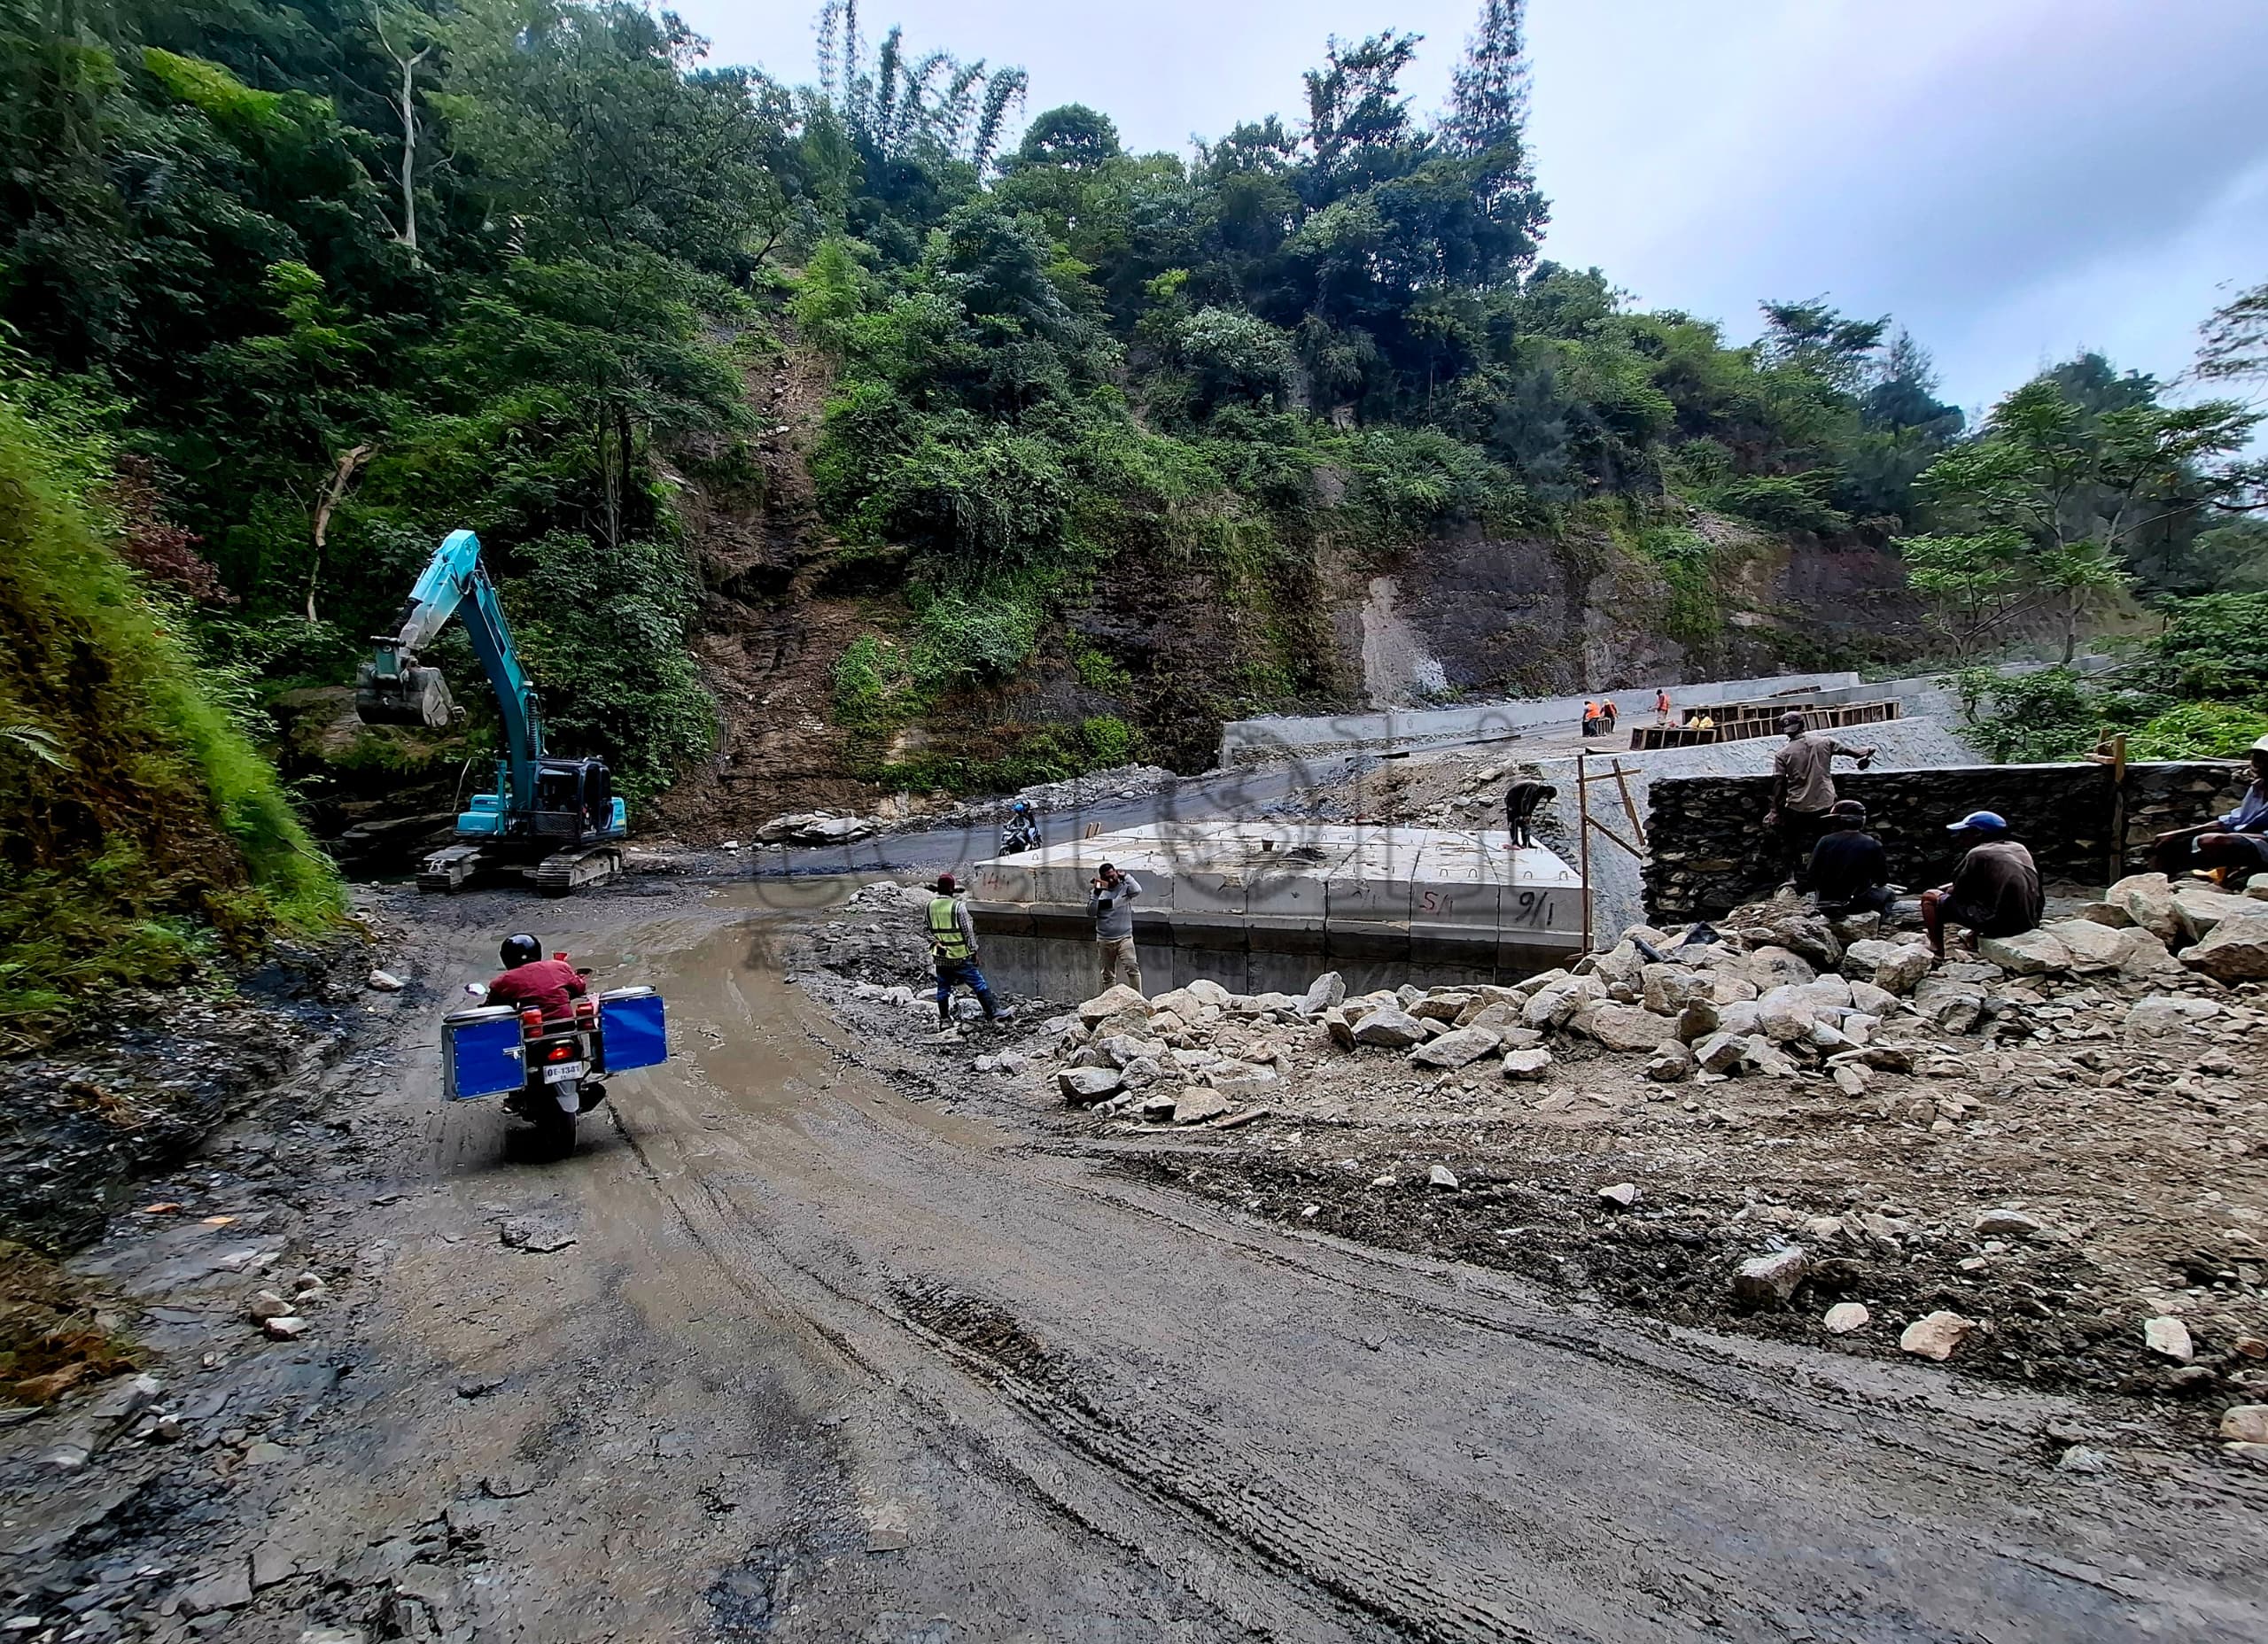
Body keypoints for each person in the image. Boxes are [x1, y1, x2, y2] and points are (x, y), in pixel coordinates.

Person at [1767, 712, 1876, 888]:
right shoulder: (1825, 742)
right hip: (1825, 801)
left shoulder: (1782, 754)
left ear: (1784, 730)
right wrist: (1868, 751)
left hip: (1797, 804)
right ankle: (1832, 875)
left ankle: (1791, 877)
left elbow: (1778, 784)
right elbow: (1855, 754)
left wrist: (1774, 811)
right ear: (1802, 725)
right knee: (1829, 840)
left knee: (1789, 841)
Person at [2151, 734, 2268, 888]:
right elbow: (2232, 821)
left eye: (2264, 759)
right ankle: (2160, 886)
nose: (2257, 763)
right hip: (2250, 839)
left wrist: (2232, 836)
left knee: (2212, 841)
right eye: (2256, 757)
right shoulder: (2258, 788)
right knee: (2169, 843)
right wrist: (2177, 834)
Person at [1922, 810, 2043, 958]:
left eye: (1965, 832)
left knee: (1930, 897)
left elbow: (1960, 893)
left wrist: (1948, 890)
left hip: (2002, 925)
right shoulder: (2018, 848)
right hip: (2030, 921)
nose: (1960, 837)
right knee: (1991, 897)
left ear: (1977, 833)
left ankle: (1937, 952)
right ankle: (1973, 936)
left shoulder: (1978, 853)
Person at [926, 873, 1002, 1028]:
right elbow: (968, 932)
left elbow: (926, 930)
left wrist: (936, 943)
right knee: (978, 983)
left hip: (941, 957)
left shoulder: (930, 906)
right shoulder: (958, 907)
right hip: (960, 955)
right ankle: (993, 1012)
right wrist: (974, 951)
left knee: (943, 987)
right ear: (952, 889)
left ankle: (945, 1020)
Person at [1806, 800, 1894, 917]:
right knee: (1889, 893)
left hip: (1823, 904)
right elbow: (1881, 879)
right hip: (1852, 905)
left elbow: (1811, 872)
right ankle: (1879, 922)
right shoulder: (1872, 843)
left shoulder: (1825, 840)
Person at [484, 934, 588, 1021]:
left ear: (506, 958)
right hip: (566, 1025)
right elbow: (580, 988)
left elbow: (492, 1008)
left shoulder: (503, 980)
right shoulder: (560, 966)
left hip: (532, 1031)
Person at [1090, 861, 1145, 993]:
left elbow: (1137, 890)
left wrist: (1126, 876)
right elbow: (1091, 912)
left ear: (1116, 873)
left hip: (1124, 937)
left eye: (1112, 876)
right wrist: (1096, 894)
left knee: (1132, 967)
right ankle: (1111, 999)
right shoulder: (1098, 892)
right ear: (1102, 878)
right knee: (1108, 973)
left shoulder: (1125, 888)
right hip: (1105, 939)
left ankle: (1138, 997)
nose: (1110, 880)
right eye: (1106, 877)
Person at [1504, 779, 1558, 849]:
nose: (1544, 798)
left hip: (1520, 803)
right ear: (1545, 792)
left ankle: (1526, 843)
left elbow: (1532, 805)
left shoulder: (1538, 794)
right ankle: (1515, 843)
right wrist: (1525, 814)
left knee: (1525, 823)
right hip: (1512, 800)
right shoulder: (1533, 787)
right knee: (1514, 820)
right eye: (1546, 796)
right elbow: (1525, 800)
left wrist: (1529, 815)